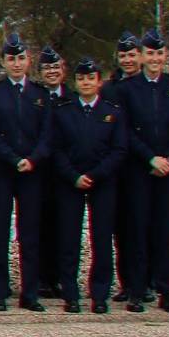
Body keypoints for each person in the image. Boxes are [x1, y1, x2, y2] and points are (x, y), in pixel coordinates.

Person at [116, 30, 169, 313]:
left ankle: (167, 290)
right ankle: (137, 291)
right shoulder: (127, 89)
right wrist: (151, 158)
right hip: (140, 169)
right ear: (143, 56)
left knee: (166, 231)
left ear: (165, 55)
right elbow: (124, 130)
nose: (155, 58)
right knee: (137, 230)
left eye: (160, 53)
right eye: (150, 53)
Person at [0, 35, 54, 311]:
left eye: (21, 58)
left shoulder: (40, 94)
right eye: (11, 59)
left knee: (30, 233)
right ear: (3, 62)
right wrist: (12, 158)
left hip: (32, 171)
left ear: (28, 61)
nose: (16, 63)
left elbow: (47, 134)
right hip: (1, 169)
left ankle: (30, 293)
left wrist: (32, 159)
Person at [48, 57, 128, 313]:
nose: (85, 83)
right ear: (76, 81)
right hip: (70, 181)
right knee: (69, 239)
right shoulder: (63, 110)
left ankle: (100, 294)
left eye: (90, 78)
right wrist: (73, 176)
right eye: (81, 78)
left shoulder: (112, 112)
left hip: (102, 182)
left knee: (102, 239)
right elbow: (56, 148)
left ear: (99, 82)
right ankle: (71, 295)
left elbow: (119, 150)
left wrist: (96, 174)